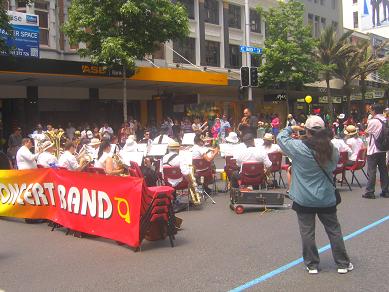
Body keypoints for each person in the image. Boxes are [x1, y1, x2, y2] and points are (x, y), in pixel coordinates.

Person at [277, 115, 353, 274]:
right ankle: (342, 263)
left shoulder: (298, 148)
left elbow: (280, 137)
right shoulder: (332, 149)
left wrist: (293, 128)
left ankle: (312, 264)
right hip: (326, 197)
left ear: (308, 131)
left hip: (304, 198)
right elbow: (333, 167)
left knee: (307, 232)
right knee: (334, 230)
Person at [364, 104, 389, 199]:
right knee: (383, 170)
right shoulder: (386, 120)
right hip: (383, 148)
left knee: (372, 171)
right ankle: (385, 190)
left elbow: (367, 132)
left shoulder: (373, 121)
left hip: (374, 149)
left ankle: (370, 191)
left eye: (371, 110)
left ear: (374, 111)